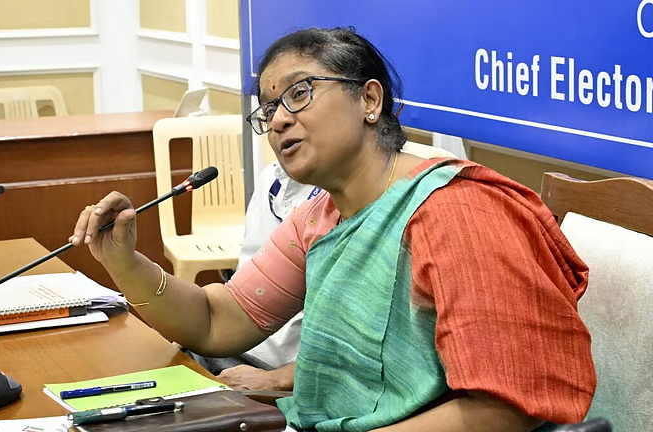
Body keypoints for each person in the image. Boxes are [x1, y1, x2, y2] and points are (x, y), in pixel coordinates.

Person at [70, 27, 596, 432]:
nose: (278, 120)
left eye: (299, 93)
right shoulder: (321, 214)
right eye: (269, 109)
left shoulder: (458, 212)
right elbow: (216, 321)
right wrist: (124, 260)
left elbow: (504, 407)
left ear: (370, 100)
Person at [189, 161, 318, 391]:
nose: (278, 125)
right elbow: (242, 295)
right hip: (239, 351)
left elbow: (358, 359)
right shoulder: (270, 177)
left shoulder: (358, 203)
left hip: (298, 379)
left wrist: (278, 379)